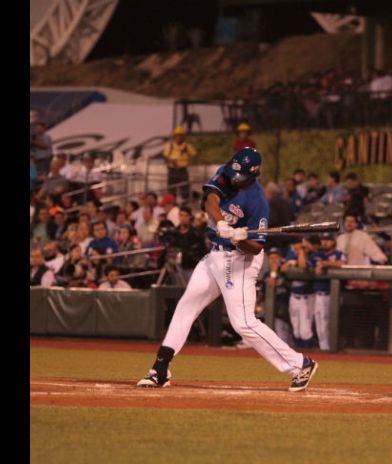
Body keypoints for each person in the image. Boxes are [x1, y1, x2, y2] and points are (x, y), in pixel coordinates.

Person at [136, 148, 319, 392]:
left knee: (243, 323)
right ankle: (160, 369)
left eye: (240, 176)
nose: (234, 179)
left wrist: (238, 239)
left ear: (253, 175)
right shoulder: (228, 172)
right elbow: (210, 197)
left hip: (240, 260)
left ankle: (301, 365)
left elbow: (255, 247)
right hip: (215, 254)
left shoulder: (258, 202)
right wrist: (222, 223)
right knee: (186, 306)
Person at [282, 238, 319, 348]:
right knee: (296, 330)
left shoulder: (314, 256)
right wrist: (291, 261)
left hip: (306, 298)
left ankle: (309, 353)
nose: (298, 249)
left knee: (305, 330)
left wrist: (302, 251)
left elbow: (303, 265)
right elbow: (283, 268)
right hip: (293, 297)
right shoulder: (292, 255)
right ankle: (299, 353)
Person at [310, 233, 345, 350]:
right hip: (317, 295)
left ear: (333, 242)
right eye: (323, 240)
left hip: (331, 295)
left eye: (328, 240)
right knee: (319, 323)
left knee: (328, 322)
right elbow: (306, 264)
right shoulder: (316, 254)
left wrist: (325, 264)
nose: (325, 242)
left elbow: (342, 263)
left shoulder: (338, 253)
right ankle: (323, 348)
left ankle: (331, 348)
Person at [162, 126, 198, 201]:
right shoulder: (170, 146)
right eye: (177, 136)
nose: (179, 137)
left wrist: (194, 162)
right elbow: (165, 156)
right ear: (174, 137)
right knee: (172, 189)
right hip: (172, 170)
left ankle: (185, 203)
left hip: (182, 170)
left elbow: (195, 155)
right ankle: (172, 203)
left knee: (185, 189)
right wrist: (172, 161)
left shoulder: (187, 146)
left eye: (181, 135)